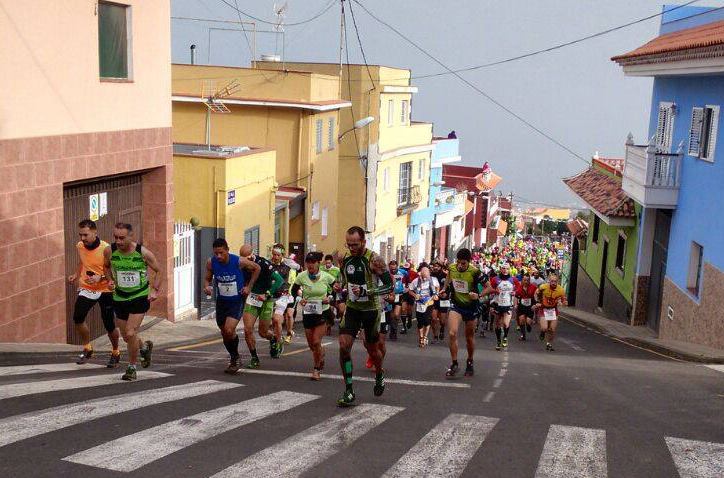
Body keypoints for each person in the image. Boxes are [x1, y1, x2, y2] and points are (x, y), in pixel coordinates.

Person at [334, 226, 393, 407]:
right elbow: (344, 280)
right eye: (349, 244)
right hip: (352, 308)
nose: (351, 248)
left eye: (355, 244)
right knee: (344, 347)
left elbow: (389, 286)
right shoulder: (346, 259)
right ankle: (349, 390)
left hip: (371, 310)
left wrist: (368, 290)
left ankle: (379, 372)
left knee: (371, 347)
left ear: (363, 242)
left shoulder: (374, 260)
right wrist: (338, 285)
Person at [103, 223, 162, 381]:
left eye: (122, 238)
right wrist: (109, 280)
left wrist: (155, 290)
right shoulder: (110, 251)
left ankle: (131, 367)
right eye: (116, 237)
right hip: (119, 297)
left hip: (139, 296)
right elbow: (106, 267)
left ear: (131, 236)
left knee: (130, 332)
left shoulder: (142, 253)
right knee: (127, 337)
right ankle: (143, 347)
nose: (119, 241)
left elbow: (158, 270)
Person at [69, 219, 121, 367]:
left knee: (109, 324)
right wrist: (76, 274)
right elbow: (83, 262)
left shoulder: (106, 249)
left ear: (94, 232)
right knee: (78, 318)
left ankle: (115, 352)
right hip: (88, 287)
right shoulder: (80, 246)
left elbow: (115, 270)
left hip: (105, 290)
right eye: (80, 235)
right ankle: (87, 347)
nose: (82, 238)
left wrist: (102, 276)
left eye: (85, 235)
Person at [203, 238, 260, 373]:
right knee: (225, 333)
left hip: (236, 300)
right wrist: (207, 286)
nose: (218, 256)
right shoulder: (211, 262)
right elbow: (207, 278)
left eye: (221, 253)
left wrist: (249, 287)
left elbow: (257, 268)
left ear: (227, 250)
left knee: (229, 329)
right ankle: (235, 357)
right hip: (222, 301)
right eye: (216, 253)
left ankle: (235, 358)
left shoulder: (238, 261)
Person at [291, 252, 336, 380]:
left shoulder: (327, 277)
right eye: (308, 262)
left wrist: (330, 298)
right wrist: (300, 298)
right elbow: (294, 290)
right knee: (312, 345)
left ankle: (316, 370)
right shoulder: (302, 276)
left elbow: (337, 290)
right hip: (308, 312)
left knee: (316, 341)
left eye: (313, 262)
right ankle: (320, 353)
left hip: (323, 312)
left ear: (318, 263)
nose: (310, 265)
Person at [239, 244, 284, 368]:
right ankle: (254, 358)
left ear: (252, 255)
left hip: (266, 299)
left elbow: (280, 280)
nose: (244, 261)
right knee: (247, 330)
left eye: (247, 258)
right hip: (252, 299)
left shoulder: (263, 263)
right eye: (242, 258)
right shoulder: (241, 265)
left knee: (263, 332)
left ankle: (274, 338)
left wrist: (267, 294)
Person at [445, 248, 487, 377]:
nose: (460, 266)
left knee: (469, 337)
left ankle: (470, 361)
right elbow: (448, 278)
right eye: (459, 262)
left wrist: (479, 295)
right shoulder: (452, 268)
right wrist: (444, 289)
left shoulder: (475, 272)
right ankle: (454, 363)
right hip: (456, 305)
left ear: (468, 262)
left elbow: (489, 287)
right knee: (452, 333)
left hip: (471, 307)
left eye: (463, 263)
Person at [270, 244, 300, 346]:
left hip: (289, 293)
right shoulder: (269, 264)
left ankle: (288, 333)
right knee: (274, 320)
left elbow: (299, 269)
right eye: (274, 254)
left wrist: (300, 289)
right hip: (272, 295)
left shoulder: (288, 265)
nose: (276, 257)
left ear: (282, 254)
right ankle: (278, 337)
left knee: (289, 315)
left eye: (278, 255)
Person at [408, 265, 439, 348]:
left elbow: (437, 287)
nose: (425, 279)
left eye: (427, 276)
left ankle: (425, 337)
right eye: (423, 277)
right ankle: (420, 337)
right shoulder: (416, 281)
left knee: (426, 319)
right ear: (420, 274)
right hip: (419, 303)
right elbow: (409, 290)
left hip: (429, 302)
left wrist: (436, 294)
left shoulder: (433, 280)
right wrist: (415, 295)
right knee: (420, 321)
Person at [490, 263, 519, 351]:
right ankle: (498, 341)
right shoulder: (495, 279)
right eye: (503, 268)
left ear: (509, 269)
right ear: (500, 269)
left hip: (508, 304)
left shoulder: (513, 279)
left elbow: (519, 288)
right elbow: (490, 289)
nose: (505, 270)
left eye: (507, 268)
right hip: (497, 304)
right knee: (498, 323)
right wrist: (495, 290)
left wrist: (515, 292)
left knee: (506, 323)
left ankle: (505, 337)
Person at [535, 273, 567, 351]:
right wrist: (537, 302)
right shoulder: (543, 287)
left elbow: (564, 301)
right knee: (545, 327)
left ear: (558, 281)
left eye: (555, 281)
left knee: (552, 329)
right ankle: (542, 332)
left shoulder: (561, 290)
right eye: (552, 281)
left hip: (553, 309)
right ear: (549, 281)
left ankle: (549, 344)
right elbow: (536, 293)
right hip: (544, 308)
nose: (553, 283)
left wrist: (563, 303)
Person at [514, 273, 538, 341]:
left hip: (530, 307)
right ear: (522, 280)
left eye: (527, 280)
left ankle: (529, 326)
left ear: (529, 280)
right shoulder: (519, 287)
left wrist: (535, 304)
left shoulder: (533, 287)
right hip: (521, 306)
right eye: (524, 280)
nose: (526, 282)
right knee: (521, 320)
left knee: (528, 322)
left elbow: (537, 296)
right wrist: (515, 305)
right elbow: (516, 297)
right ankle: (523, 335)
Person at [388, 260, 408, 338]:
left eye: (394, 267)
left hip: (399, 295)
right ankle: (392, 330)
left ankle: (394, 330)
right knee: (391, 315)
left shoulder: (402, 272)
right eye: (391, 268)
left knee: (396, 315)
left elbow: (408, 277)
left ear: (397, 266)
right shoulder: (386, 273)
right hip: (389, 295)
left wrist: (406, 286)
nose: (393, 269)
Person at [430, 261, 449, 342]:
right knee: (433, 319)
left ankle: (442, 329)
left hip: (444, 300)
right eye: (434, 266)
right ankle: (435, 336)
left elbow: (450, 287)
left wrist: (446, 294)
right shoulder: (430, 276)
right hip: (434, 299)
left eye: (437, 266)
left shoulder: (446, 276)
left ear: (441, 267)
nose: (435, 267)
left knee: (442, 320)